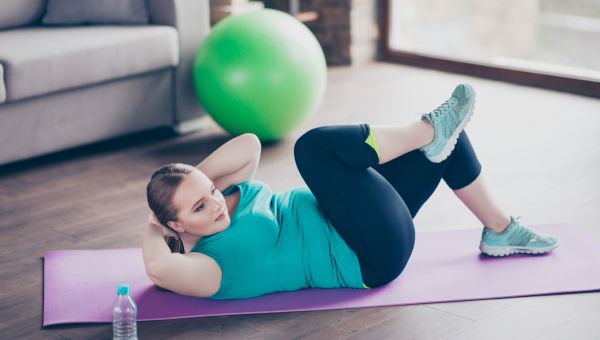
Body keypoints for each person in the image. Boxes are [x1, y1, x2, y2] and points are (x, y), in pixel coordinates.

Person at [142, 83, 559, 300]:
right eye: (199, 206)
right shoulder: (207, 267)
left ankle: (499, 229)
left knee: (445, 146)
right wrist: (153, 220)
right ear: (175, 223)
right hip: (368, 255)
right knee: (312, 149)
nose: (215, 203)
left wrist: (187, 181)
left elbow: (249, 144)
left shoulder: (225, 201)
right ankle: (430, 126)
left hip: (356, 215)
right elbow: (159, 269)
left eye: (211, 191)